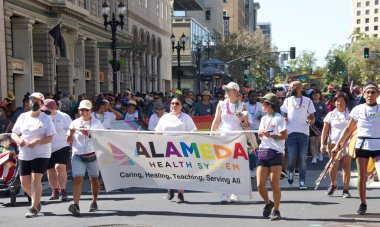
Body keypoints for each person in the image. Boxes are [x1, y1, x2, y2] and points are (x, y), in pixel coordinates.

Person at [331, 83, 380, 215]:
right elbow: (348, 129)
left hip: (378, 146)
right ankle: (363, 203)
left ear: (377, 94)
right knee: (362, 176)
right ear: (363, 94)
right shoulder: (358, 109)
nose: (370, 95)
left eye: (373, 92)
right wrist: (337, 145)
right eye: (367, 92)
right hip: (362, 146)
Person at [11, 92, 56, 218]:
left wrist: (37, 141)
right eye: (31, 101)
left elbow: (50, 138)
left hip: (41, 153)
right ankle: (35, 199)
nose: (33, 103)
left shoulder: (46, 118)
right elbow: (14, 133)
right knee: (24, 182)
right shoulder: (23, 117)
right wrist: (19, 140)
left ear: (41, 104)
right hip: (25, 153)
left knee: (36, 178)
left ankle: (34, 208)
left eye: (36, 101)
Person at [210, 82, 252, 203]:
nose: (226, 92)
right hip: (223, 138)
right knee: (224, 166)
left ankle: (235, 192)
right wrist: (212, 135)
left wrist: (242, 119)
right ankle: (224, 193)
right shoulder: (221, 104)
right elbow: (216, 120)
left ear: (235, 92)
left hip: (237, 138)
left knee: (236, 166)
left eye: (229, 90)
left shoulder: (242, 106)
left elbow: (246, 124)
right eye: (226, 90)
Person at [155, 97, 197, 203]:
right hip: (167, 148)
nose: (174, 105)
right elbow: (157, 132)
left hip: (181, 148)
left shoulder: (186, 118)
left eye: (177, 103)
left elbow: (193, 132)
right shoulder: (164, 118)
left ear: (181, 106)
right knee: (168, 169)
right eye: (172, 103)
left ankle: (180, 193)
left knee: (181, 170)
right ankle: (170, 188)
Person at [66, 100, 104, 216]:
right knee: (78, 178)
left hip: (93, 155)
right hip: (78, 155)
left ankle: (94, 200)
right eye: (82, 110)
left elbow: (102, 139)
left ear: (91, 111)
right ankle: (76, 205)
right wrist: (71, 134)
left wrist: (88, 133)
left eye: (86, 110)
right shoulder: (74, 123)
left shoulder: (97, 123)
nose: (84, 112)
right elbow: (68, 141)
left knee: (94, 179)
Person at [257, 93, 287, 221]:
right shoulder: (264, 118)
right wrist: (261, 134)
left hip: (276, 152)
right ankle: (269, 203)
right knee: (259, 185)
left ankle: (277, 210)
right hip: (263, 152)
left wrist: (271, 135)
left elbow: (284, 135)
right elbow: (260, 135)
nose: (261, 105)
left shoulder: (279, 118)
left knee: (275, 184)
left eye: (263, 102)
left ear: (269, 104)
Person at [281, 81, 316, 190]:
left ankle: (302, 181)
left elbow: (312, 117)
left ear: (299, 88)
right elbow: (284, 115)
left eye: (292, 87)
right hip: (290, 133)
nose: (290, 89)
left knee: (302, 158)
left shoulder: (308, 101)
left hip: (304, 133)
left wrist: (311, 121)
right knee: (291, 157)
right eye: (290, 87)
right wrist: (285, 119)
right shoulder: (287, 100)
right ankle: (290, 172)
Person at [320, 92, 352, 198]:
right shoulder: (331, 114)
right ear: (334, 102)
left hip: (347, 143)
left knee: (346, 166)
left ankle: (346, 189)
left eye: (342, 101)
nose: (339, 103)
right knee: (333, 166)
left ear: (346, 102)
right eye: (337, 101)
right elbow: (324, 131)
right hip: (333, 144)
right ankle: (333, 184)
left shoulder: (350, 114)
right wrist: (322, 144)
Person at [41, 99, 72, 201]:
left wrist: (70, 140)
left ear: (54, 108)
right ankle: (55, 191)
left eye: (47, 109)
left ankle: (63, 191)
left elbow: (71, 130)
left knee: (59, 167)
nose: (45, 111)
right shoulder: (42, 117)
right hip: (47, 147)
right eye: (44, 109)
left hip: (62, 145)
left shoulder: (64, 116)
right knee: (50, 170)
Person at [310, 89, 328, 164]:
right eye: (314, 94)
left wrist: (323, 117)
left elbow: (326, 113)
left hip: (320, 124)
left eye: (317, 94)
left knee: (320, 141)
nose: (316, 96)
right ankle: (314, 157)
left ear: (320, 95)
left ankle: (320, 153)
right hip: (311, 125)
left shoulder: (322, 104)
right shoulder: (309, 103)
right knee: (312, 141)